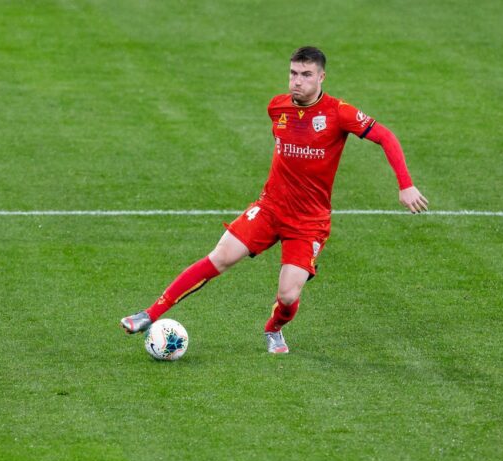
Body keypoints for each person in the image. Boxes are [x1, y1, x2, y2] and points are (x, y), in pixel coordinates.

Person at [121, 46, 428, 353]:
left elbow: (386, 137)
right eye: (293, 73)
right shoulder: (277, 108)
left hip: (309, 222)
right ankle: (150, 313)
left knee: (289, 296)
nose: (297, 81)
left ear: (322, 77)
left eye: (306, 75)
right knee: (220, 257)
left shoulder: (339, 113)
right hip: (269, 208)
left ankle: (274, 329)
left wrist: (406, 185)